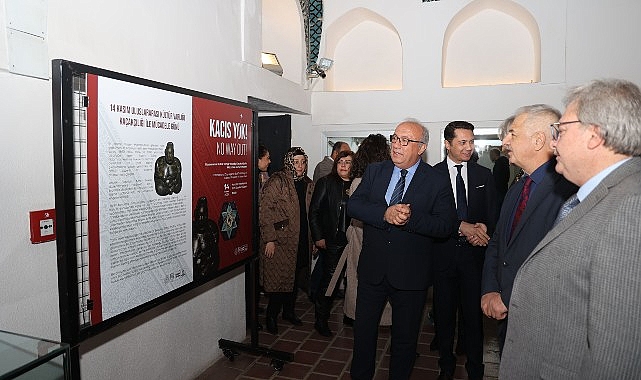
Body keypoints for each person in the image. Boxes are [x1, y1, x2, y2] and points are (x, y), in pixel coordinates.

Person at [500, 79, 641, 379]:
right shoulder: (599, 194)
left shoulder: (631, 206)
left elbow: (616, 357)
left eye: (560, 131)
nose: (553, 143)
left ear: (595, 135)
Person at [348, 119, 458, 380]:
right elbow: (354, 206)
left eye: (405, 141)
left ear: (422, 147)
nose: (397, 145)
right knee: (363, 336)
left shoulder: (436, 180)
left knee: (405, 341)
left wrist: (411, 219)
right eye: (395, 138)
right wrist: (384, 214)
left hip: (411, 276)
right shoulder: (376, 171)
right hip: (373, 270)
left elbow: (446, 225)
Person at [481, 105, 577, 354]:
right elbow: (498, 242)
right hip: (509, 320)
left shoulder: (568, 191)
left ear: (538, 140)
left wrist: (507, 297)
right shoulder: (518, 188)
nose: (504, 141)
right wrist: (491, 288)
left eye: (513, 134)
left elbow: (556, 260)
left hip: (541, 319)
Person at [432, 121, 498, 380]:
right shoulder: (433, 175)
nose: (469, 147)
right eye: (462, 142)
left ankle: (475, 371)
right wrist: (461, 228)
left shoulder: (484, 176)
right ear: (447, 144)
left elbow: (493, 214)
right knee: (444, 317)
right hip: (443, 256)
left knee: (473, 319)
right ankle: (446, 368)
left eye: (471, 142)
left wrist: (484, 228)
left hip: (474, 258)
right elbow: (430, 217)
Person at [327, 134, 392, 327]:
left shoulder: (358, 181)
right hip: (374, 237)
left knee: (357, 280)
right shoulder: (384, 181)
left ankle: (355, 315)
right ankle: (381, 318)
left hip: (360, 237)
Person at [259, 147, 314, 335]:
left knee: (295, 277)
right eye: (296, 161)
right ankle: (271, 316)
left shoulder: (308, 183)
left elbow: (312, 214)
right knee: (278, 281)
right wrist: (270, 239)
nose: (300, 165)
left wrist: (313, 239)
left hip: (302, 238)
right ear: (289, 162)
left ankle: (289, 313)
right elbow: (265, 210)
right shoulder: (278, 181)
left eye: (303, 161)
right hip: (281, 240)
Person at [308, 150, 354, 336]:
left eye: (348, 162)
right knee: (330, 282)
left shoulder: (358, 184)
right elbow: (314, 212)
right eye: (340, 161)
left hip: (352, 241)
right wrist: (318, 237)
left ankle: (349, 315)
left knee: (352, 280)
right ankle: (321, 319)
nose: (343, 165)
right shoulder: (326, 182)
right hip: (332, 241)